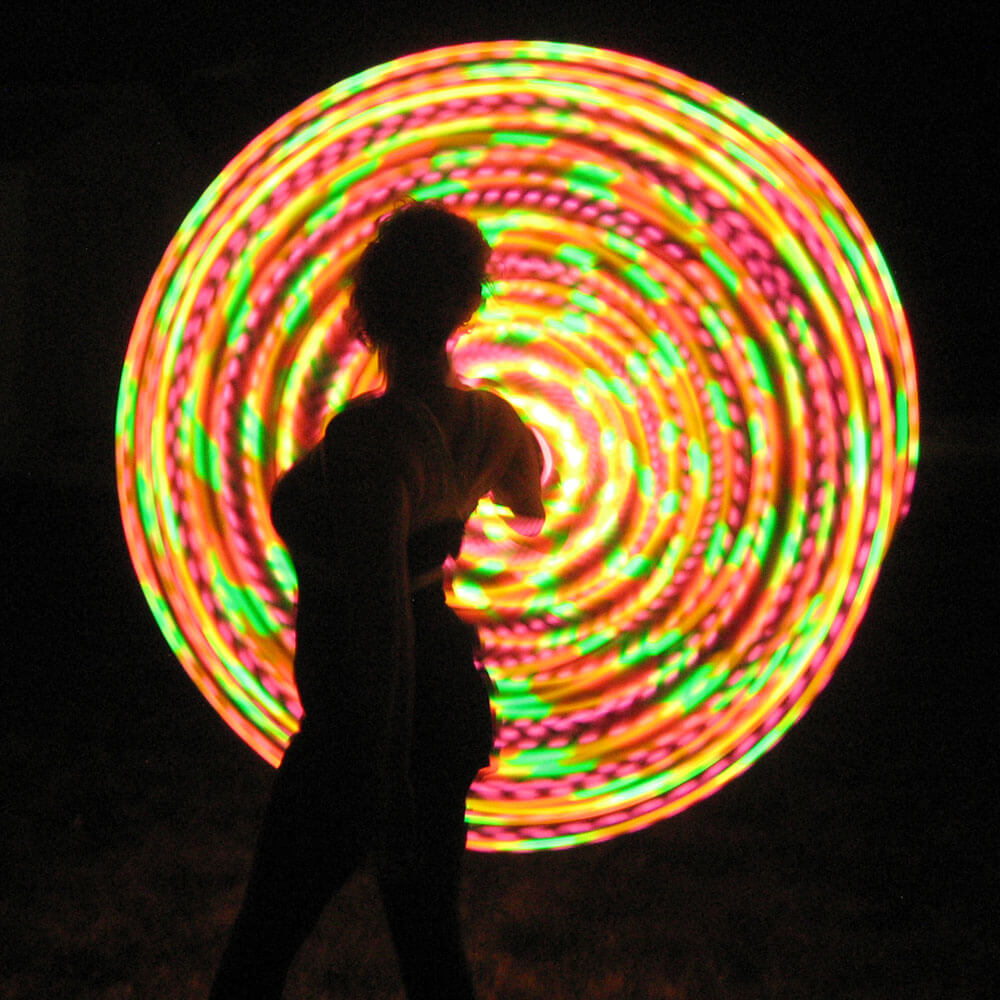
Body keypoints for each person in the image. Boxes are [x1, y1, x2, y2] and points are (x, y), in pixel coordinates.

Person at [210, 202, 545, 999]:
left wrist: (381, 773)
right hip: (445, 700)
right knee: (431, 945)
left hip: (364, 719)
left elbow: (377, 617)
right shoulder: (497, 421)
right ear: (468, 304)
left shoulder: (371, 440)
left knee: (262, 946)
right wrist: (460, 496)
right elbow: (529, 503)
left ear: (367, 305)